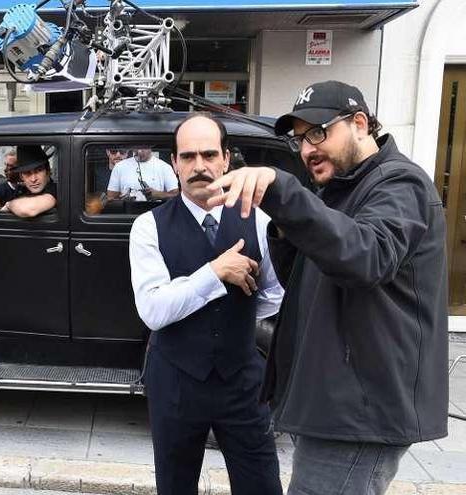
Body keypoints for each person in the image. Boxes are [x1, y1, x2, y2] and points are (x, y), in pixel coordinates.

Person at [207, 81, 448, 494]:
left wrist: (285, 193)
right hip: (335, 403)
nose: (306, 149)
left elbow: (367, 256)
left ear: (360, 124)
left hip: (359, 410)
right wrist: (285, 228)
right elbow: (307, 282)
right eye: (300, 139)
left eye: (318, 132)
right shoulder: (341, 191)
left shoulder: (400, 184)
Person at [129, 112, 284, 495]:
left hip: (242, 377)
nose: (200, 166)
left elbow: (272, 297)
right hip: (176, 380)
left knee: (262, 484)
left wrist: (230, 317)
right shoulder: (148, 226)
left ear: (226, 159)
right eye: (188, 156)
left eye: (209, 154)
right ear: (174, 163)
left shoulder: (259, 219)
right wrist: (214, 273)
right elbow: (153, 310)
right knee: (176, 485)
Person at [0, 146, 56, 218]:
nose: (33, 179)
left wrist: (9, 205)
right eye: (27, 173)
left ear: (48, 171)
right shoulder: (22, 191)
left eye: (38, 171)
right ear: (21, 176)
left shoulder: (55, 190)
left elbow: (28, 210)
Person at [107, 147, 178, 201]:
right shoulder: (119, 167)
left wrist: (158, 195)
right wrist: (123, 200)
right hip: (127, 215)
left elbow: (176, 196)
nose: (139, 151)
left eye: (143, 147)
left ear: (150, 147)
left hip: (155, 215)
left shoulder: (165, 167)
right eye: (137, 147)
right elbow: (111, 197)